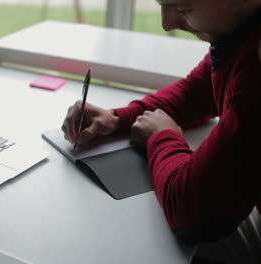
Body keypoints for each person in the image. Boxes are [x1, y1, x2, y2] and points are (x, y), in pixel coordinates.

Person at [62, 0, 261, 262]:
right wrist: (115, 118)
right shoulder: (241, 36)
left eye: (184, 9)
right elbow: (197, 92)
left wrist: (161, 137)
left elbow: (194, 213)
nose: (167, 24)